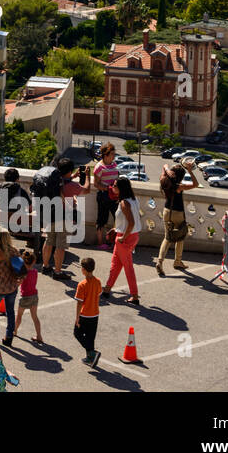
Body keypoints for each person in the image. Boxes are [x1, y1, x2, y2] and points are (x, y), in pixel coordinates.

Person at [38, 159, 88, 278]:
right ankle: (58, 271)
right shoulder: (71, 186)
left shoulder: (53, 181)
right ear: (70, 171)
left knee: (49, 241)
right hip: (64, 217)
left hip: (50, 214)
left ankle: (45, 266)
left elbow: (63, 183)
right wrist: (87, 177)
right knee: (60, 246)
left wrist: (72, 176)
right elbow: (87, 189)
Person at [103, 176, 142, 304]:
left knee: (127, 267)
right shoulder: (133, 199)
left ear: (120, 188)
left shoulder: (124, 203)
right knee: (116, 264)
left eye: (114, 185)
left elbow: (130, 223)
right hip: (131, 235)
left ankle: (135, 296)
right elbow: (128, 222)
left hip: (125, 238)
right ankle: (107, 289)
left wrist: (122, 237)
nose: (112, 187)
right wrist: (116, 230)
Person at [156, 160, 198, 275]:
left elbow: (164, 165)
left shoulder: (164, 181)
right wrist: (190, 171)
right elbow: (196, 184)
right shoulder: (179, 187)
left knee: (167, 237)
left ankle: (160, 261)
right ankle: (177, 261)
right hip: (178, 213)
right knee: (180, 236)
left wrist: (167, 169)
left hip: (166, 211)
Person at [0, 230, 25, 347]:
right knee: (10, 311)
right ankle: (9, 336)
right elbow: (21, 269)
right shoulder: (14, 250)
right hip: (12, 287)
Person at [73, 256, 102, 367]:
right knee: (90, 337)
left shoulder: (82, 285)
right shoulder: (98, 282)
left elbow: (79, 303)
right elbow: (98, 296)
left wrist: (77, 317)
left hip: (85, 314)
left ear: (84, 269)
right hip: (95, 314)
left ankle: (92, 353)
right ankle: (90, 358)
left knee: (77, 333)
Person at [92, 143, 121, 249]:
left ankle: (114, 241)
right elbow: (96, 184)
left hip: (114, 197)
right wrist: (108, 189)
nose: (114, 156)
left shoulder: (114, 164)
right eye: (112, 154)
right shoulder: (99, 167)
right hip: (104, 196)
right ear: (105, 154)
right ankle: (100, 243)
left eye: (114, 153)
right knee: (101, 220)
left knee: (118, 218)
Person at [14, 249, 43, 345]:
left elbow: (19, 284)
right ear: (33, 262)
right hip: (34, 296)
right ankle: (39, 336)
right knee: (35, 317)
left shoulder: (24, 273)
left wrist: (14, 285)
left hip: (25, 297)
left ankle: (15, 331)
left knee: (19, 315)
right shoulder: (35, 271)